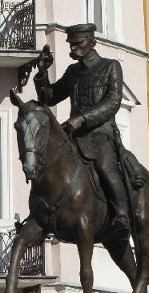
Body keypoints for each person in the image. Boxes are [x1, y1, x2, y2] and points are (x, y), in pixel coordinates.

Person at [34, 23, 130, 234]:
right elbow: (49, 98)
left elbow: (113, 101)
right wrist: (42, 72)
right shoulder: (72, 72)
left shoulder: (110, 66)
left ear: (92, 42)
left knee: (105, 166)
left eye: (78, 44)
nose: (73, 49)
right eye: (71, 45)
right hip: (74, 136)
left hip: (101, 133)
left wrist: (83, 118)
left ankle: (122, 215)